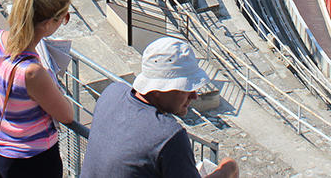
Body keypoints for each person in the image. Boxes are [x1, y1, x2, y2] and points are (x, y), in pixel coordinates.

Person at [80, 36, 238, 178]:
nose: (194, 95)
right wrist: (228, 168)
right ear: (159, 89)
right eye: (186, 87)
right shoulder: (169, 136)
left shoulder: (112, 92)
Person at [0, 0, 74, 178]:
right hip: (34, 160)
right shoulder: (32, 72)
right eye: (63, 18)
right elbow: (67, 115)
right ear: (48, 23)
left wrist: (0, 88)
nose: (63, 22)